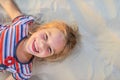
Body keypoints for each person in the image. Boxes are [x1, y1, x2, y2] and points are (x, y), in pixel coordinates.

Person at [0, 0, 78, 80]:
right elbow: (7, 4)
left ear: (49, 56)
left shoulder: (23, 71)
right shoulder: (23, 24)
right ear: (41, 29)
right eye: (45, 36)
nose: (41, 45)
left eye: (49, 49)